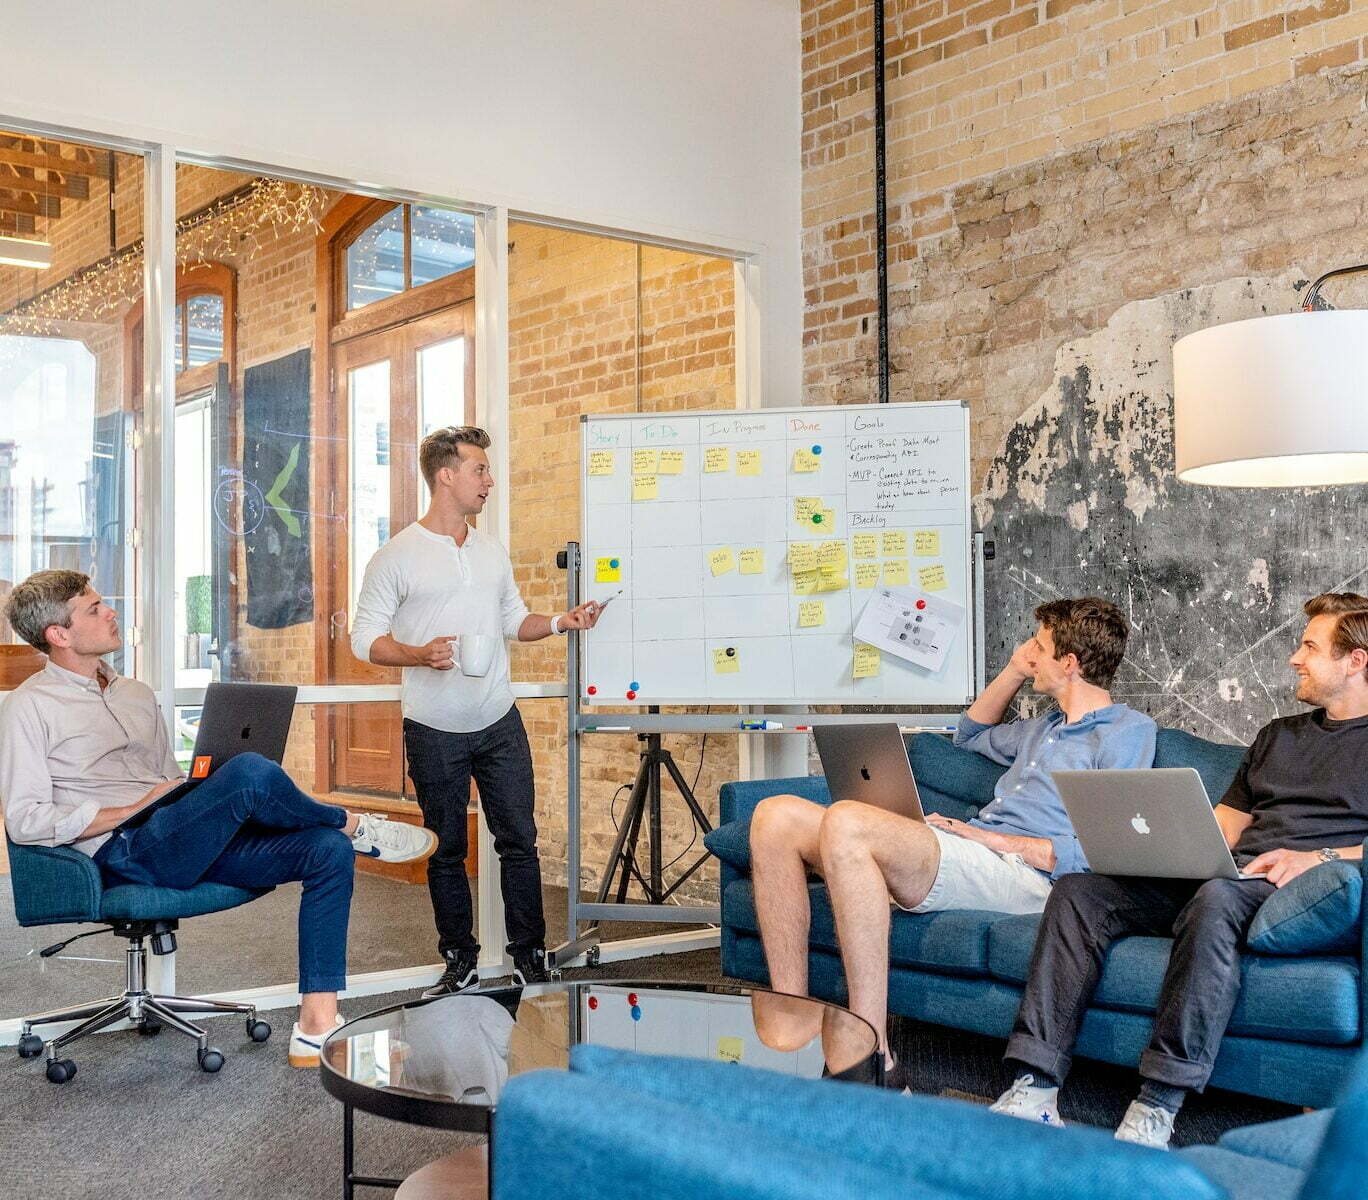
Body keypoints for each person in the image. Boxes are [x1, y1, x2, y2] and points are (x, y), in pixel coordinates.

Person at [0, 570, 435, 1068]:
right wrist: (131, 808)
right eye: (95, 608)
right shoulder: (29, 707)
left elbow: (167, 780)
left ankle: (316, 1026)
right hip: (124, 850)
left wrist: (189, 793)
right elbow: (26, 820)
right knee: (250, 773)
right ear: (58, 634)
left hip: (175, 835)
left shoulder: (135, 694)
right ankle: (351, 823)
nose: (111, 612)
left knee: (324, 850)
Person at [992, 591, 1368, 1148]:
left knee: (1215, 898)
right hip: (1228, 874)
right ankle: (1035, 1085)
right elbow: (1226, 824)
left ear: (1355, 660)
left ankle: (1158, 1103)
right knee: (1079, 891)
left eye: (1310, 646)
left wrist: (1318, 857)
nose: (1294, 657)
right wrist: (1171, 845)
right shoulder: (1279, 735)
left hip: (1297, 886)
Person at [749, 596, 1156, 1085]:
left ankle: (874, 1052)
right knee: (775, 816)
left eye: (1039, 646)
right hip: (974, 854)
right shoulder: (1042, 729)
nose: (1029, 652)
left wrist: (992, 840)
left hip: (1027, 877)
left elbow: (1106, 849)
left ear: (1069, 663)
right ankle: (794, 1005)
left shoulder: (1127, 733)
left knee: (849, 822)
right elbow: (969, 734)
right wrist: (1011, 670)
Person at [351, 426, 600, 996]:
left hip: (498, 720)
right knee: (446, 844)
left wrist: (562, 621)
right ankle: (459, 959)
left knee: (519, 839)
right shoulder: (397, 556)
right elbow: (364, 639)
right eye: (479, 470)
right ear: (446, 475)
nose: (489, 481)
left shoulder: (490, 551)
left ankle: (529, 956)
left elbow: (515, 621)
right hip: (434, 727)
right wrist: (418, 653)